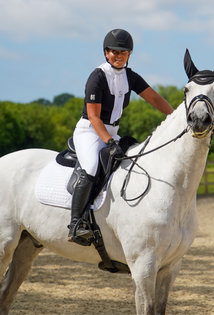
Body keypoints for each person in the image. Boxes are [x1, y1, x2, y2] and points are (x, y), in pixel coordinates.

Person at [68, 29, 174, 242]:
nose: (118, 56)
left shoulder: (130, 76)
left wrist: (177, 116)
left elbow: (153, 98)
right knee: (90, 168)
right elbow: (94, 117)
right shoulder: (97, 77)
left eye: (123, 52)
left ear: (129, 54)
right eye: (114, 52)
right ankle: (76, 223)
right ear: (106, 53)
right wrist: (109, 142)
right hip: (90, 131)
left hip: (111, 133)